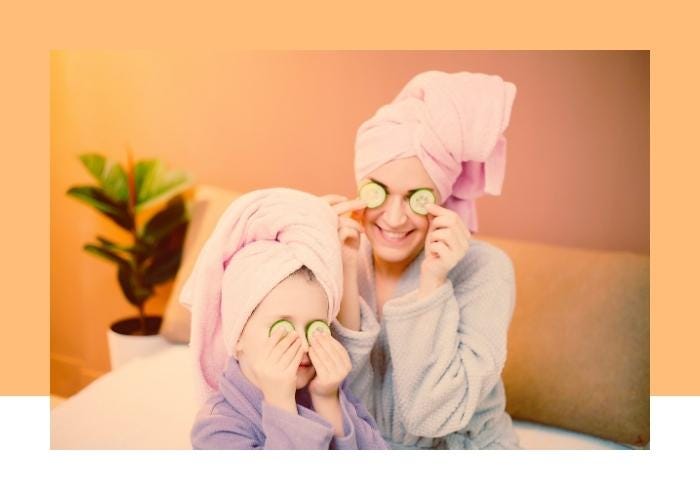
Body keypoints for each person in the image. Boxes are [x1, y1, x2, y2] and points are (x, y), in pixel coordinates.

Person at [324, 70, 521, 449]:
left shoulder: (487, 270)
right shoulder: (343, 254)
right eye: (380, 193)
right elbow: (346, 400)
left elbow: (431, 415)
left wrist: (433, 286)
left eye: (416, 197)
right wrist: (339, 268)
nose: (395, 219)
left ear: (441, 198)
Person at [180, 188, 388, 449]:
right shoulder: (216, 427)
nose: (304, 344)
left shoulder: (329, 389)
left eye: (316, 327)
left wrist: (328, 401)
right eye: (283, 327)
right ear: (238, 335)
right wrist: (281, 404)